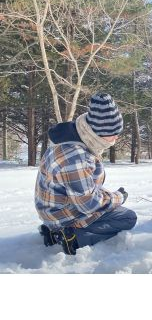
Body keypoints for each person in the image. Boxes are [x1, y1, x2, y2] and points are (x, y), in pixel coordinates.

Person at [35, 93, 137, 255]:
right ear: (99, 132)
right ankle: (73, 238)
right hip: (62, 215)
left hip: (54, 210)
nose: (117, 137)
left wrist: (109, 197)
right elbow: (87, 204)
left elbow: (84, 189)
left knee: (113, 209)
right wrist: (118, 197)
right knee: (127, 217)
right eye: (114, 133)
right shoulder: (75, 156)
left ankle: (55, 233)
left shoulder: (73, 139)